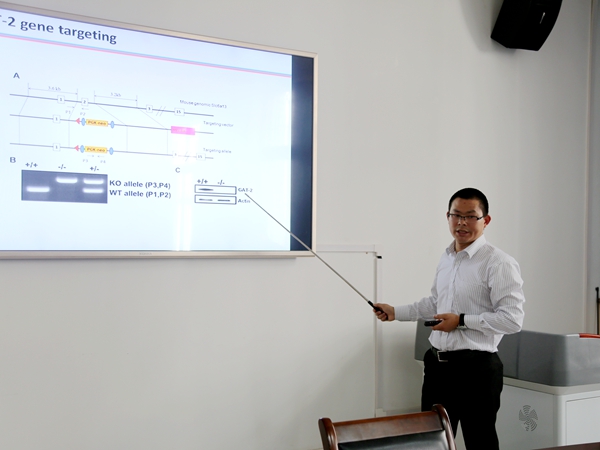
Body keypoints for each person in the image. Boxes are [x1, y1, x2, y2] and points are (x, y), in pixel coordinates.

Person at [373, 187, 525, 450]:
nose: (462, 223)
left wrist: (461, 321)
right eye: (456, 215)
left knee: (480, 442)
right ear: (448, 216)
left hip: (477, 370)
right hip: (437, 367)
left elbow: (512, 319)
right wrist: (396, 312)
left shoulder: (499, 262)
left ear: (486, 220)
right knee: (432, 443)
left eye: (471, 216)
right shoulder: (447, 258)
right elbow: (435, 303)